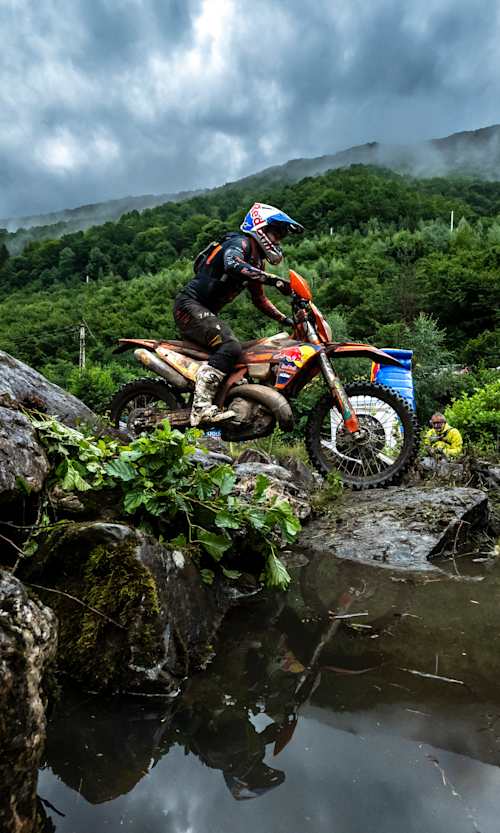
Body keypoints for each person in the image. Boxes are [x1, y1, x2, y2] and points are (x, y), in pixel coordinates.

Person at [173, 202, 304, 426]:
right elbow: (232, 264)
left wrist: (286, 320)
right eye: (275, 233)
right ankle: (201, 408)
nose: (277, 241)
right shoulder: (239, 243)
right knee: (230, 346)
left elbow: (260, 300)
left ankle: (228, 405)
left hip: (203, 311)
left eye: (281, 236)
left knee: (247, 351)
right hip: (189, 306)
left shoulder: (256, 261)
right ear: (260, 227)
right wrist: (273, 279)